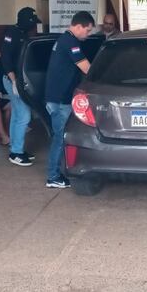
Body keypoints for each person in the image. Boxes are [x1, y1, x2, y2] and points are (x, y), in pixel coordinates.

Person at [44, 11, 95, 188]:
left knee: (61, 137)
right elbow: (87, 68)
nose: (88, 35)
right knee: (60, 138)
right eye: (88, 30)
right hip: (59, 100)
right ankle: (53, 177)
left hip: (58, 97)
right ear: (79, 26)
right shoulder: (70, 42)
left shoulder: (64, 39)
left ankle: (59, 172)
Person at [1, 7, 41, 166]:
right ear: (25, 21)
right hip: (11, 80)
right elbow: (5, 59)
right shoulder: (11, 33)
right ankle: (16, 153)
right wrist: (14, 81)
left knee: (17, 114)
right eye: (32, 23)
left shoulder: (24, 34)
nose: (34, 27)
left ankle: (15, 148)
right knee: (24, 115)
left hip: (19, 80)